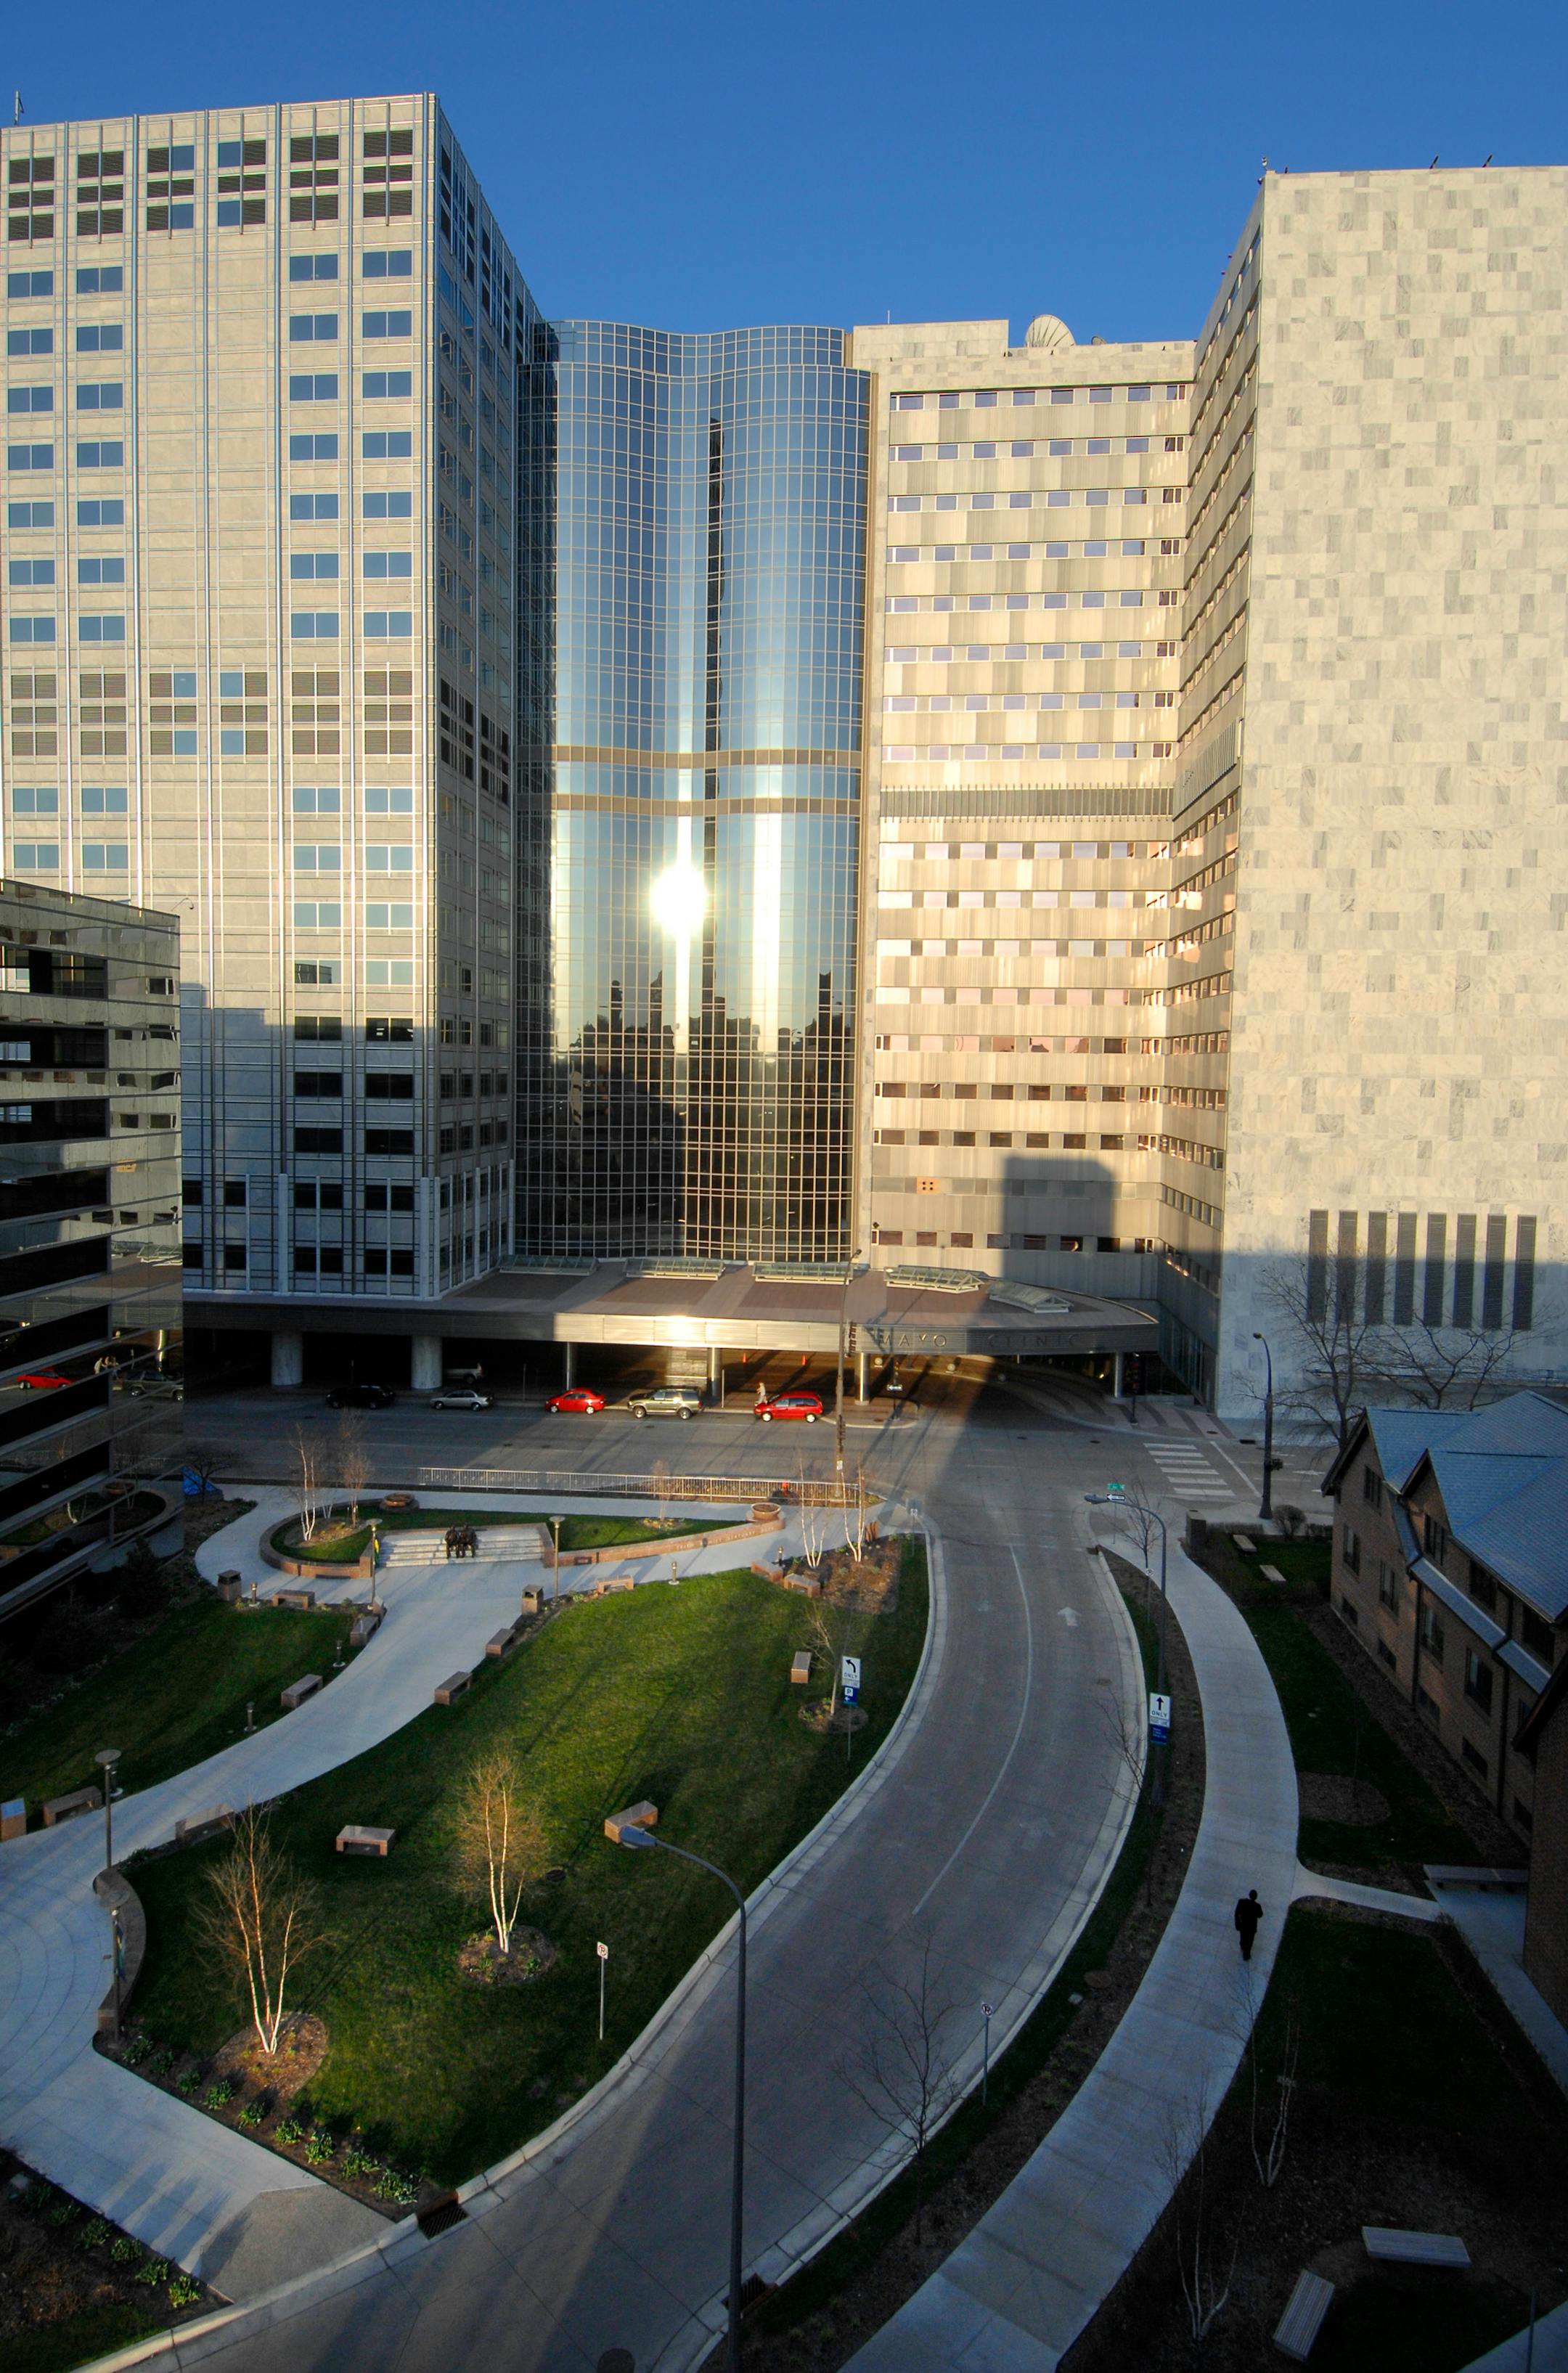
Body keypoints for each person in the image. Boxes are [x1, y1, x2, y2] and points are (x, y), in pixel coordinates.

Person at [1234, 1888, 1263, 1962]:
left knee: (1243, 1936)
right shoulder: (1257, 1906)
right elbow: (1260, 1915)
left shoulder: (1241, 1902)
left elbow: (1236, 1913)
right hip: (1252, 1927)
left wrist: (1237, 1923)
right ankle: (1246, 1954)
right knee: (1250, 1940)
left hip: (1243, 1925)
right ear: (1256, 1897)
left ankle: (1243, 1946)